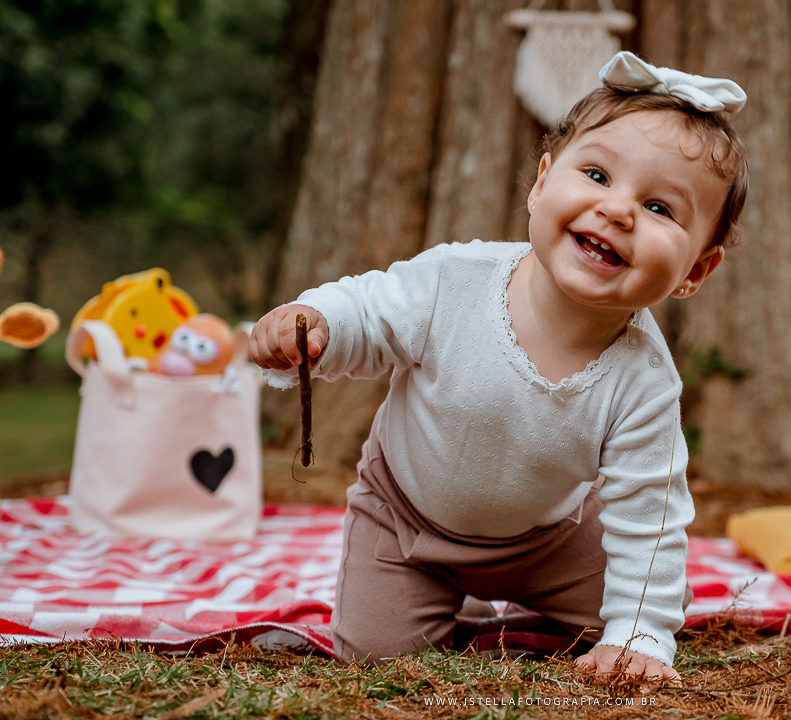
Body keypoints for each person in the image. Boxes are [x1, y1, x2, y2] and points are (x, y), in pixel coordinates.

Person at [249, 50, 748, 686]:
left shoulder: (643, 380)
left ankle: (578, 614)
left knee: (648, 610)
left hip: (550, 542)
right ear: (541, 184)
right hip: (406, 522)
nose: (619, 211)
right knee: (377, 660)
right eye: (596, 175)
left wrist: (637, 634)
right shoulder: (454, 281)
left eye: (659, 209)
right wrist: (316, 325)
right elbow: (369, 312)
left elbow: (650, 513)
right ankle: (448, 595)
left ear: (695, 272)